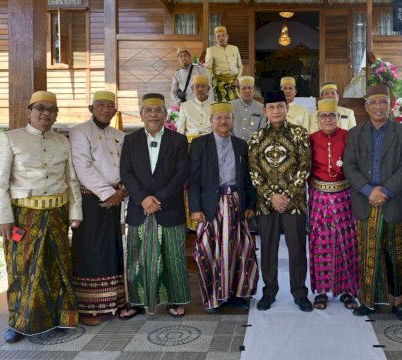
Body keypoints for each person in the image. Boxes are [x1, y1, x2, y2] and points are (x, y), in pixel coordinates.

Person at [0, 90, 82, 343]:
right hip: (22, 216)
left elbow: (71, 180)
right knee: (23, 269)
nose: (46, 114)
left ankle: (61, 318)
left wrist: (76, 212)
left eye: (51, 110)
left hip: (57, 213)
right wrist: (3, 217)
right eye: (40, 108)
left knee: (58, 266)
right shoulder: (11, 139)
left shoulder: (63, 142)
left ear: (56, 115)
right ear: (29, 111)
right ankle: (18, 323)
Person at [343, 84, 402, 321]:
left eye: (382, 101)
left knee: (398, 254)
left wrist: (385, 191)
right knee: (368, 253)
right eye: (373, 102)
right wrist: (368, 190)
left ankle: (398, 301)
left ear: (390, 105)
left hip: (393, 202)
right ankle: (368, 301)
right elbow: (349, 167)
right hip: (366, 201)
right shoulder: (355, 134)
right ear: (366, 106)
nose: (378, 107)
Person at [120, 93, 191, 317]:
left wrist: (158, 199)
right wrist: (143, 198)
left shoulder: (178, 140)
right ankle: (137, 302)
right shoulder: (130, 140)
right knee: (137, 258)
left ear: (165, 114)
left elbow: (182, 173)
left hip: (168, 207)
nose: (153, 114)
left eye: (158, 110)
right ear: (141, 115)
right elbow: (126, 173)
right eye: (148, 110)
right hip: (139, 208)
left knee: (174, 257)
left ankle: (175, 300)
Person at [69, 91, 133, 325]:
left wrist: (122, 191)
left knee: (113, 249)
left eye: (110, 106)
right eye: (101, 105)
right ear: (91, 107)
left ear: (115, 110)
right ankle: (88, 308)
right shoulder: (80, 132)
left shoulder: (119, 135)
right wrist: (110, 194)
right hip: (91, 201)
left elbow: (127, 165)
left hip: (115, 199)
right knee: (90, 251)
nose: (106, 109)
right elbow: (82, 168)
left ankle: (113, 303)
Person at [188, 102, 259, 313]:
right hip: (211, 206)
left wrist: (251, 204)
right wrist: (195, 208)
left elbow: (248, 179)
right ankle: (213, 298)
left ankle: (239, 294)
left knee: (242, 249)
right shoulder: (200, 144)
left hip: (237, 203)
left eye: (227, 117)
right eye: (218, 118)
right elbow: (193, 180)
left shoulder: (241, 145)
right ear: (211, 121)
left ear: (233, 120)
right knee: (208, 251)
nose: (223, 121)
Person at [248, 90, 312, 312]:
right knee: (268, 250)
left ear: (286, 109)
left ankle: (300, 292)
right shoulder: (256, 138)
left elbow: (305, 167)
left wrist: (287, 196)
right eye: (271, 107)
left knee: (297, 249)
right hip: (267, 205)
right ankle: (269, 291)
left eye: (280, 107)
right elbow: (254, 173)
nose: (276, 111)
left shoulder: (299, 134)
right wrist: (271, 197)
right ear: (265, 111)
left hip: (293, 204)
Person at [308, 99, 359, 311]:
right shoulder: (310, 139)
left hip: (344, 196)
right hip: (319, 197)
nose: (328, 119)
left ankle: (348, 290)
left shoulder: (349, 137)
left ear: (339, 117)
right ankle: (321, 290)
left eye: (332, 116)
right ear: (317, 119)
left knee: (346, 243)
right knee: (320, 242)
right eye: (323, 116)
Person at [205, 26, 243, 102]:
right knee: (221, 107)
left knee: (236, 104)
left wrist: (238, 79)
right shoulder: (211, 50)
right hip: (219, 83)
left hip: (233, 82)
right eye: (218, 36)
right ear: (215, 38)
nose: (221, 38)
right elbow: (208, 68)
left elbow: (240, 66)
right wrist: (208, 84)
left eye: (223, 35)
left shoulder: (235, 48)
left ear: (227, 36)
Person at [230, 75, 266, 142]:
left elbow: (262, 130)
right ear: (239, 90)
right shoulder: (230, 106)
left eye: (250, 88)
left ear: (254, 90)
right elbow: (226, 128)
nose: (247, 91)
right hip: (233, 145)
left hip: (254, 145)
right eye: (244, 88)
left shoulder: (261, 108)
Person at [177, 74, 213, 140]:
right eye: (197, 86)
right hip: (191, 143)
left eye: (203, 86)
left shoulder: (215, 106)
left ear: (208, 89)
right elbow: (180, 130)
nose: (200, 89)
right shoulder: (185, 106)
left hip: (210, 142)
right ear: (192, 88)